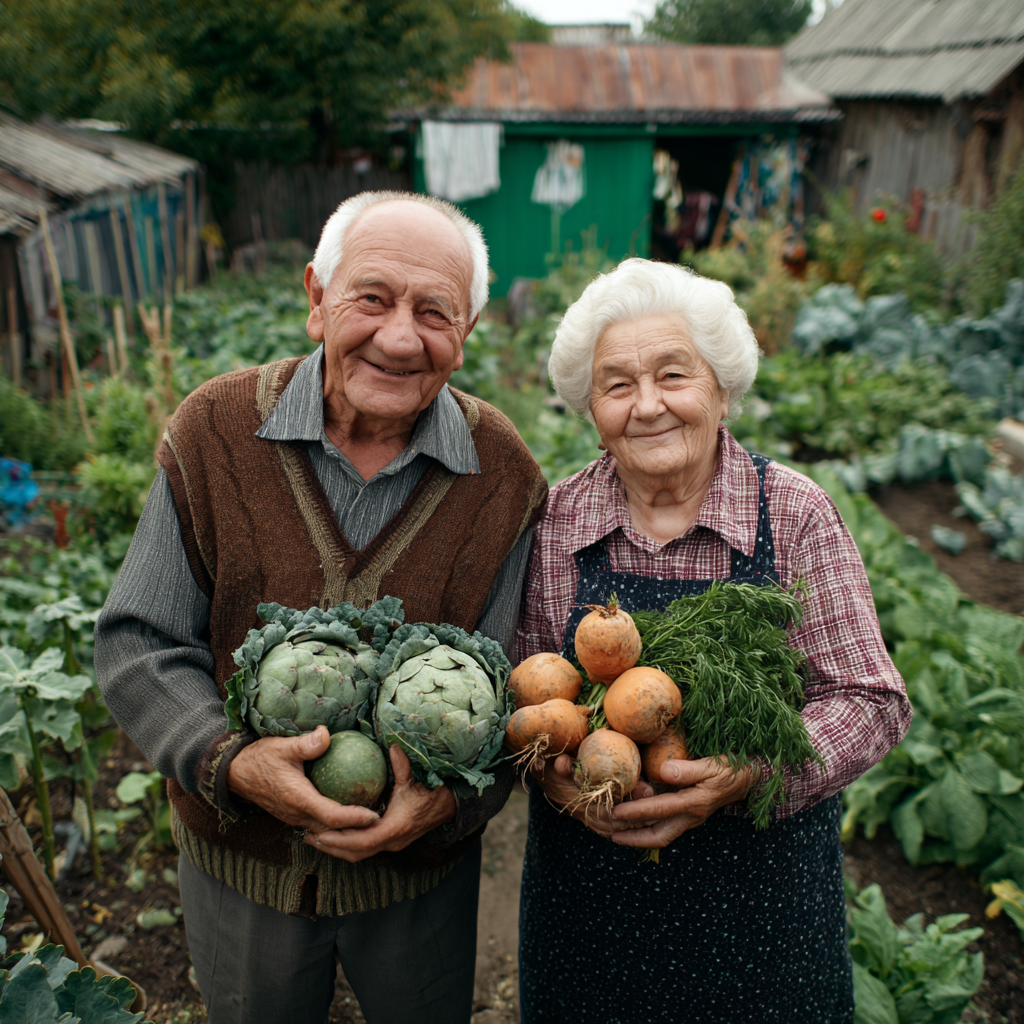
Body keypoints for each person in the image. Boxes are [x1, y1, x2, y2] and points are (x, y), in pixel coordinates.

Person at [94, 191, 547, 1024]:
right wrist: (230, 762)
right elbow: (139, 644)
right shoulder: (213, 431)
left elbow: (519, 685)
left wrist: (449, 803)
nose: (400, 336)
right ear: (316, 299)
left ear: (468, 332)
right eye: (371, 298)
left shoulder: (504, 473)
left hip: (421, 879)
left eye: (434, 312)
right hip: (242, 871)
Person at [514, 258, 911, 1024]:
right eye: (617, 385)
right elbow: (535, 692)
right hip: (594, 907)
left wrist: (752, 770)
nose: (649, 405)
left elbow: (872, 700)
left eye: (674, 374)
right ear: (589, 407)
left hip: (762, 910)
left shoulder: (792, 512)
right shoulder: (557, 519)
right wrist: (559, 778)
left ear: (722, 390)